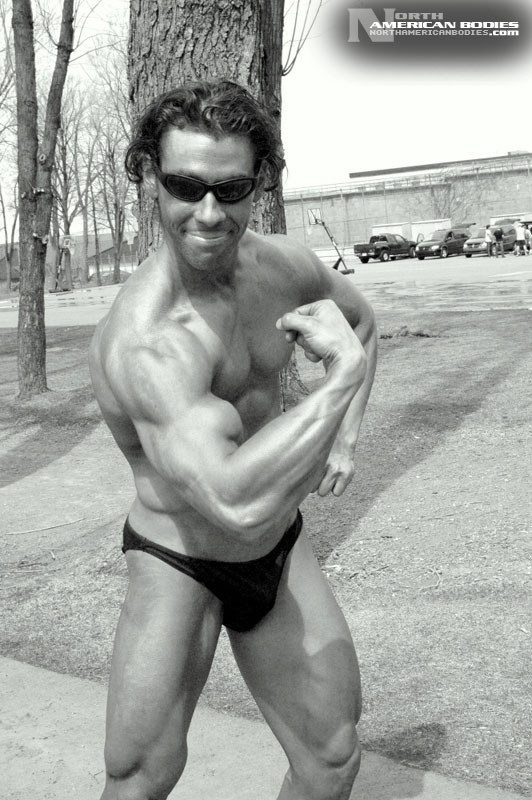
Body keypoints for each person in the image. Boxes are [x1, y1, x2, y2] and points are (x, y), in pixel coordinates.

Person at [89, 78, 377, 800]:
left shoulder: (283, 268)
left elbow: (361, 323)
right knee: (140, 776)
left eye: (231, 188)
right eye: (186, 186)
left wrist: (345, 435)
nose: (210, 212)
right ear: (150, 178)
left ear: (260, 183)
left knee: (333, 757)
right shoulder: (147, 340)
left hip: (276, 547)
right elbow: (233, 503)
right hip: (180, 557)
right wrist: (341, 380)